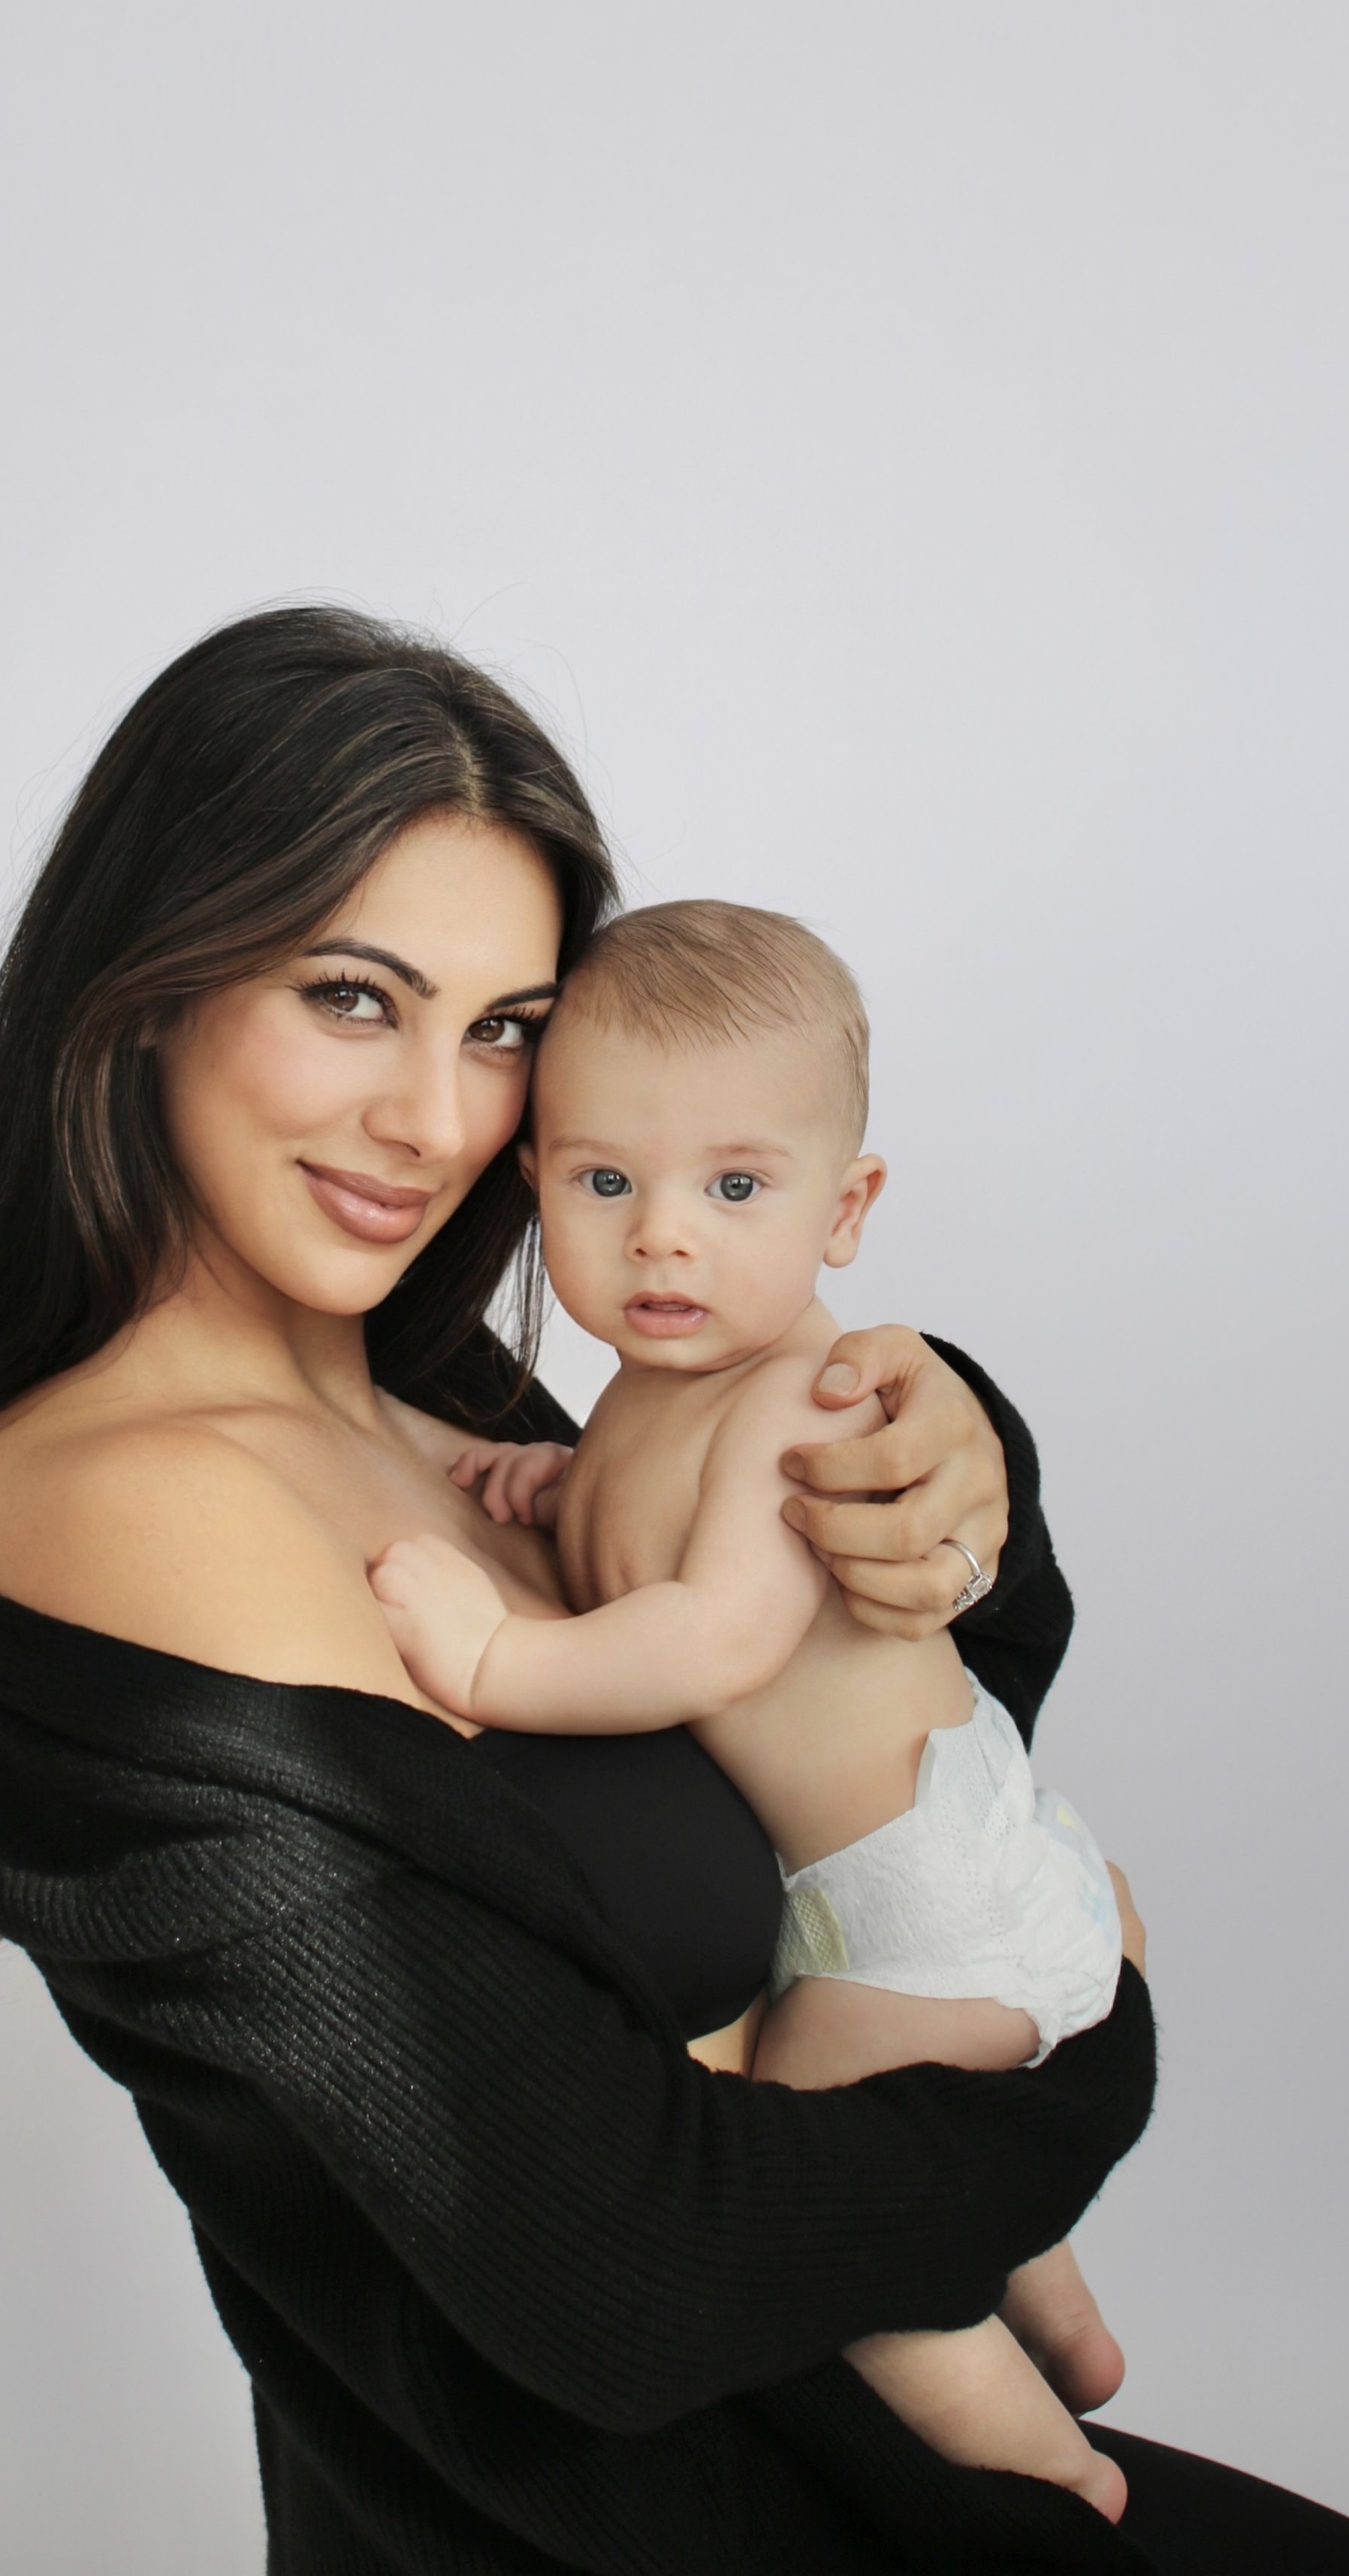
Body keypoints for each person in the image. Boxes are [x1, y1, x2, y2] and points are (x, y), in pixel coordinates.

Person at [0, 607, 1349, 2573]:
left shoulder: (454, 1405)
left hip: (852, 2459)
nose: (436, 1120)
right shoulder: (133, 1506)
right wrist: (1099, 2045)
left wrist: (943, 1443)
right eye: (353, 996)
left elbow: (844, 1744)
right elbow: (623, 2274)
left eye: (501, 1030)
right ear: (150, 981)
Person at [371, 898, 1129, 2518]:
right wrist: (557, 1482)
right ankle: (1063, 2320)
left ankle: (1043, 2471)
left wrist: (494, 1662)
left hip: (924, 1905)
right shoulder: (654, 1391)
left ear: (843, 1210)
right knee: (908, 2142)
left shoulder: (800, 1393)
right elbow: (647, 1515)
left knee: (805, 2190)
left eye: (733, 1188)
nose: (663, 1237)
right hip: (900, 1872)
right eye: (604, 1183)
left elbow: (712, 1637)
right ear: (534, 1185)